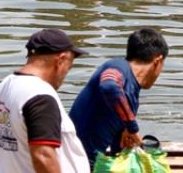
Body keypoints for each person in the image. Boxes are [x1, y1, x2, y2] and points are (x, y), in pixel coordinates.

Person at [0, 29, 90, 173]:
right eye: (69, 65)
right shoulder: (40, 96)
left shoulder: (0, 90)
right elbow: (43, 156)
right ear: (60, 60)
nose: (66, 73)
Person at [69, 28, 169, 166]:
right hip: (73, 162)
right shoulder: (118, 66)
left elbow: (117, 151)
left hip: (90, 164)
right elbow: (109, 86)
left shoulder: (130, 96)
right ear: (158, 61)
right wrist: (132, 128)